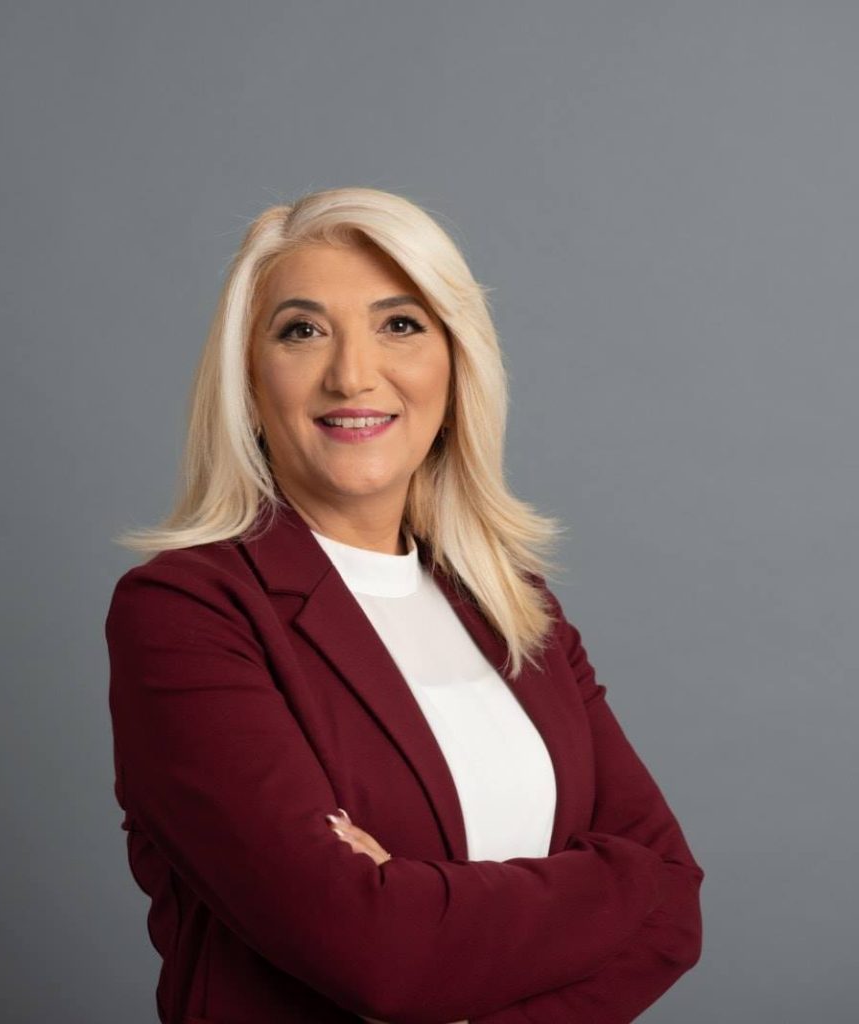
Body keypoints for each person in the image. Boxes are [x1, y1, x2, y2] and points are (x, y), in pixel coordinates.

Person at [105, 186, 704, 1024]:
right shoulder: (187, 613)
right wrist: (610, 882)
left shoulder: (513, 606)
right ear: (248, 379)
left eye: (400, 324)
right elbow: (372, 952)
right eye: (301, 331)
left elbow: (672, 903)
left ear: (455, 367)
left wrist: (415, 893)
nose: (352, 374)